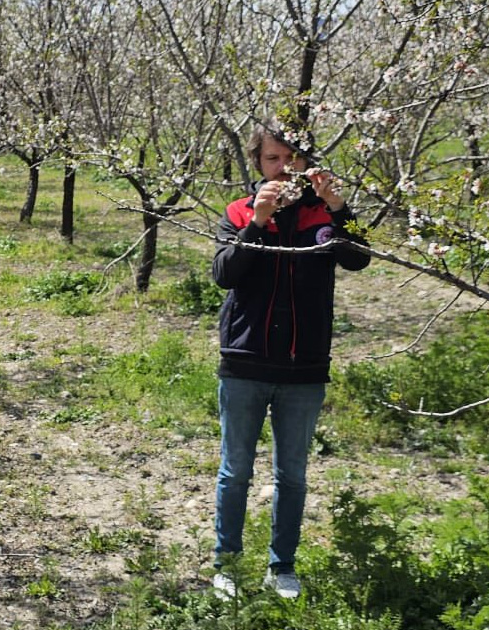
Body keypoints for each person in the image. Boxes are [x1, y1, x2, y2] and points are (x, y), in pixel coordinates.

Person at [210, 120, 371, 600]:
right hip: (245, 359)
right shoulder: (239, 211)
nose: (283, 168)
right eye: (272, 160)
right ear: (258, 165)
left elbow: (359, 257)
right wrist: (257, 222)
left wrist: (339, 208)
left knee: (292, 474)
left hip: (304, 365)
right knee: (235, 471)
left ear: (307, 163)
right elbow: (225, 274)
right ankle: (228, 565)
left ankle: (282, 566)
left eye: (291, 159)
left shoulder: (323, 215)